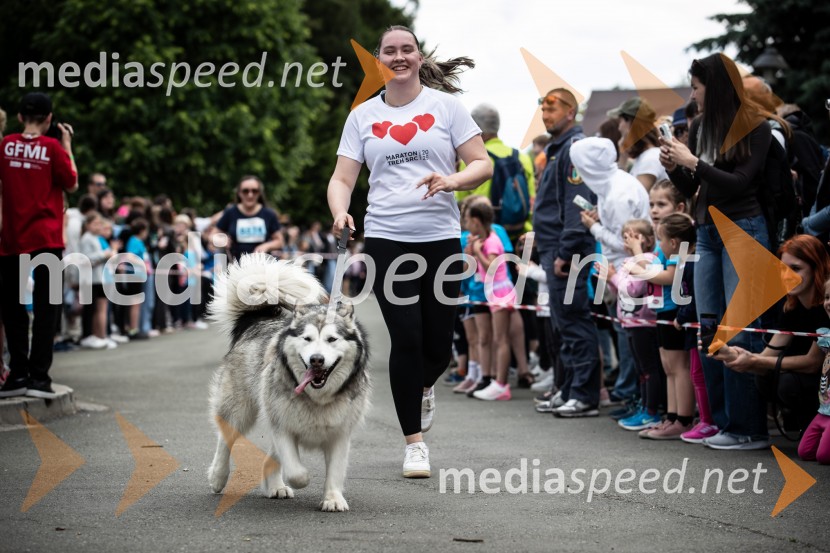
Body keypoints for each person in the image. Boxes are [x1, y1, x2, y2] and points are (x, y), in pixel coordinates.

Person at [327, 25, 491, 478]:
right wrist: (341, 211)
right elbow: (342, 179)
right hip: (387, 239)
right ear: (379, 61)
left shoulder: (446, 108)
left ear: (419, 57)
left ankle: (421, 386)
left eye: (407, 50)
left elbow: (482, 163)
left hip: (440, 239)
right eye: (390, 52)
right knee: (407, 338)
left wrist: (453, 180)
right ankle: (414, 444)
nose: (399, 57)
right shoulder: (362, 116)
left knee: (438, 346)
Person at [660, 52, 786, 450]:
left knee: (739, 329)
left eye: (696, 87)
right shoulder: (698, 127)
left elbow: (738, 182)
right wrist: (672, 166)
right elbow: (690, 188)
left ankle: (748, 428)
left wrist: (691, 161)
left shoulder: (757, 127)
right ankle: (717, 420)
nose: (692, 94)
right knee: (708, 325)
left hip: (743, 230)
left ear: (713, 87)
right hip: (708, 230)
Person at [0, 92, 78, 398]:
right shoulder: (53, 148)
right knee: (48, 308)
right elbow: (71, 182)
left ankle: (17, 373)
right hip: (46, 240)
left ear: (19, 117)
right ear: (49, 119)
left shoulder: (4, 145)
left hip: (13, 239)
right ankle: (39, 377)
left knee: (14, 306)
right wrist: (67, 145)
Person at [714, 235, 827, 435]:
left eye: (796, 269)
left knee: (786, 382)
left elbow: (812, 363)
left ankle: (811, 423)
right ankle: (802, 423)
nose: (787, 276)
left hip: (822, 380)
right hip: (811, 380)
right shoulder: (792, 306)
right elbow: (771, 353)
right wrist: (734, 355)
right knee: (765, 378)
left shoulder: (826, 307)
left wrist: (754, 362)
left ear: (816, 267)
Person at [533, 88, 601, 418]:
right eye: (542, 108)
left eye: (552, 108)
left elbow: (579, 205)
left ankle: (584, 395)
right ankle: (569, 388)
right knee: (563, 325)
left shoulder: (575, 149)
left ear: (571, 112)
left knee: (574, 321)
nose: (546, 114)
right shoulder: (558, 149)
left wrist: (567, 249)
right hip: (554, 248)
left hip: (568, 251)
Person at [571, 136, 651, 407]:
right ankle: (632, 392)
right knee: (625, 334)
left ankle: (630, 393)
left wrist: (593, 227)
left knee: (628, 335)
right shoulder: (615, 184)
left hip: (627, 271)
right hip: (623, 270)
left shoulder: (617, 194)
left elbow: (626, 243)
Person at [798, 277, 830, 464]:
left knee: (823, 457)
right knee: (806, 453)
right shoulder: (824, 335)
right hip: (823, 410)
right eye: (827, 297)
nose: (828, 303)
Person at [215, 176, 283, 261]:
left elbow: (279, 241)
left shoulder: (269, 214)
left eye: (254, 191)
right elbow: (213, 235)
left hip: (262, 266)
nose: (250, 194)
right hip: (235, 267)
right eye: (245, 191)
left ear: (259, 193)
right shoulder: (230, 212)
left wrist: (266, 246)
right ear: (239, 193)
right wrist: (221, 240)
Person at [608, 97, 668, 191]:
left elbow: (630, 199)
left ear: (630, 123)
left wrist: (622, 161)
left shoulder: (650, 158)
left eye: (620, 122)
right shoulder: (646, 157)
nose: (619, 128)